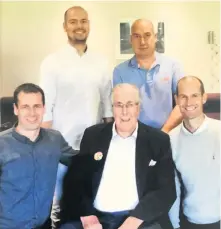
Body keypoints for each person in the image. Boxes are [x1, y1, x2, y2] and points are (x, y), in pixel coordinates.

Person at [60, 83, 176, 229]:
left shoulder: (158, 140)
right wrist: (88, 216)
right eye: (119, 105)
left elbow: (166, 191)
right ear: (112, 108)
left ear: (138, 108)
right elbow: (76, 182)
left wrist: (133, 221)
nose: (124, 112)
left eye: (130, 105)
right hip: (97, 218)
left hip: (140, 220)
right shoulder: (93, 136)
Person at [39, 6, 113, 227]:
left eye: (83, 21)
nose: (79, 26)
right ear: (65, 27)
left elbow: (108, 106)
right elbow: (46, 107)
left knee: (90, 200)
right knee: (56, 203)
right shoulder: (52, 62)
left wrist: (108, 143)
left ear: (89, 24)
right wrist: (48, 147)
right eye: (73, 22)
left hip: (92, 147)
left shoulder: (101, 62)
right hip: (61, 146)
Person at [0, 83, 74, 229]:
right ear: (16, 109)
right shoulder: (2, 144)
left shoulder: (55, 139)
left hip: (44, 225)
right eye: (25, 107)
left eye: (37, 106)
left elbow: (81, 162)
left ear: (44, 108)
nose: (32, 113)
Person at [113, 19, 184, 133]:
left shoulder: (173, 66)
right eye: (137, 36)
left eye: (147, 35)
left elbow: (182, 104)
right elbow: (120, 110)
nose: (142, 41)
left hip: (168, 135)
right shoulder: (120, 71)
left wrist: (163, 132)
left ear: (155, 37)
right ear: (131, 39)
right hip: (135, 138)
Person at [168, 76, 220, 229]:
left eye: (194, 96)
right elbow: (174, 189)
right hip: (189, 221)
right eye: (183, 97)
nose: (189, 102)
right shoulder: (171, 140)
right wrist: (175, 226)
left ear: (204, 97)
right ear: (176, 99)